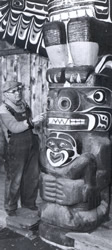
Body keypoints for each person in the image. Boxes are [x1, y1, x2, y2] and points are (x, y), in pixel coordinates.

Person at [0, 81, 44, 216]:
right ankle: (11, 207)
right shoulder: (4, 109)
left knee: (32, 176)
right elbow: (14, 127)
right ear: (6, 95)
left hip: (31, 143)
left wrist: (38, 127)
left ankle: (29, 203)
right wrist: (31, 122)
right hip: (16, 146)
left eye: (19, 89)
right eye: (14, 91)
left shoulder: (23, 105)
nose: (18, 93)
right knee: (15, 178)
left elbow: (30, 125)